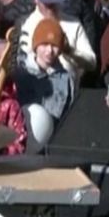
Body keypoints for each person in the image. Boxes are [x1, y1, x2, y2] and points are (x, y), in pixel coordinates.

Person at [19, 0, 96, 81]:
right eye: (46, 3)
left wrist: (70, 51)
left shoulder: (73, 24)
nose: (51, 7)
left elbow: (92, 63)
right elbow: (21, 65)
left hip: (70, 91)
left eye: (55, 2)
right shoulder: (27, 25)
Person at [15, 17, 77, 149]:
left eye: (54, 46)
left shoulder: (65, 80)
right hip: (19, 142)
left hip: (49, 146)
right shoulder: (20, 72)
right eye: (44, 44)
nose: (49, 51)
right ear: (36, 45)